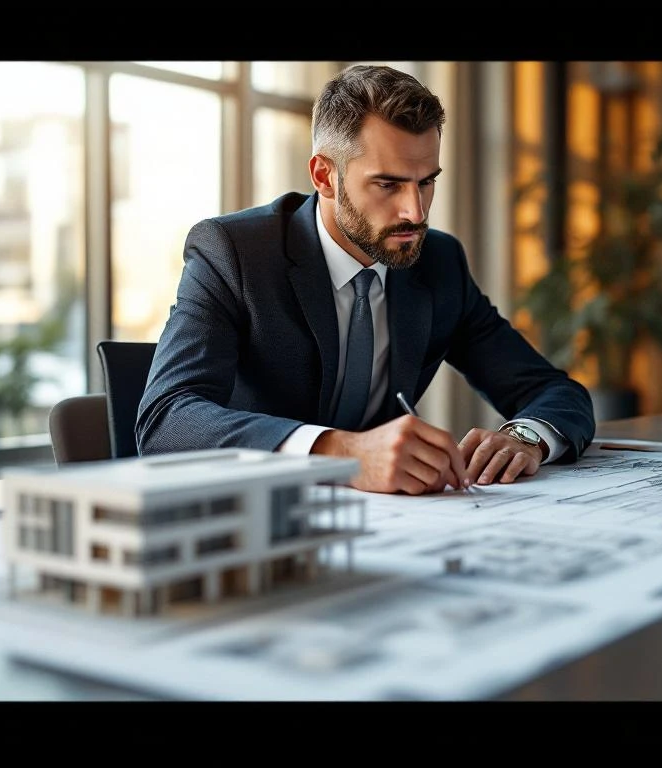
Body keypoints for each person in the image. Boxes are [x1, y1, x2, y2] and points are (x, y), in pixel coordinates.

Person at [137, 64, 595, 495]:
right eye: (388, 184)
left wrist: (526, 437)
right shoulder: (234, 252)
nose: (415, 212)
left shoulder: (438, 262)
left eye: (426, 182)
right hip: (257, 523)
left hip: (389, 528)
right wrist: (341, 452)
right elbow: (167, 419)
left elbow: (555, 392)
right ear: (325, 176)